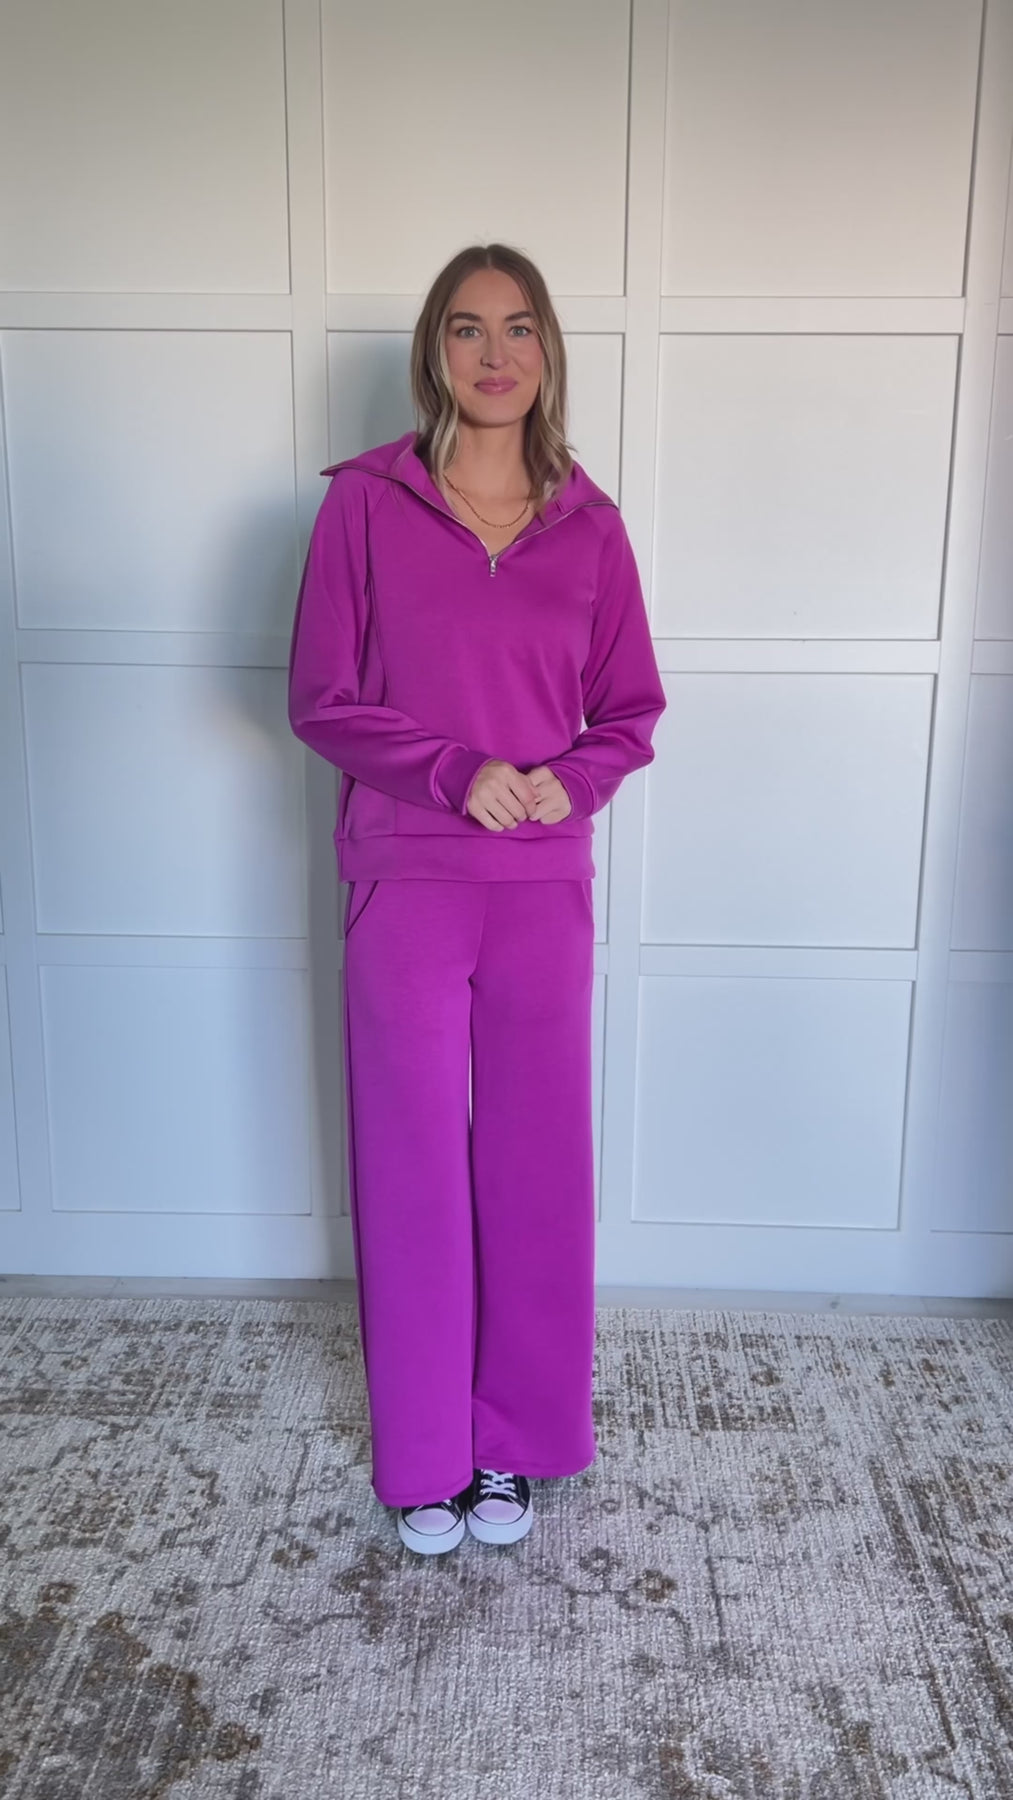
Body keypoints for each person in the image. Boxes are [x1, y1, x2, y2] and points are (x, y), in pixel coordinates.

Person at [287, 242, 667, 1556]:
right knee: (410, 1170)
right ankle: (424, 1457)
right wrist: (457, 772)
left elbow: (630, 712)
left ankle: (514, 1443)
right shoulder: (363, 506)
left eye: (517, 328)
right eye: (465, 328)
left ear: (547, 351)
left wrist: (571, 782)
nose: (494, 354)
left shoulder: (591, 527)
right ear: (433, 353)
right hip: (405, 880)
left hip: (540, 889)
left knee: (534, 1168)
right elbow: (321, 700)